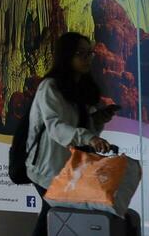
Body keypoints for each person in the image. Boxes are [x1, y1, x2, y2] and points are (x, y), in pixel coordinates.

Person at [25, 32, 118, 236]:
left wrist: (98, 121)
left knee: (58, 217)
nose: (88, 58)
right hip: (47, 168)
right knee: (54, 216)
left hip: (70, 167)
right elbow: (56, 127)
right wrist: (89, 137)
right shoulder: (49, 87)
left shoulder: (80, 87)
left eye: (89, 53)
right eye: (81, 54)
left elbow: (83, 127)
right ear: (67, 56)